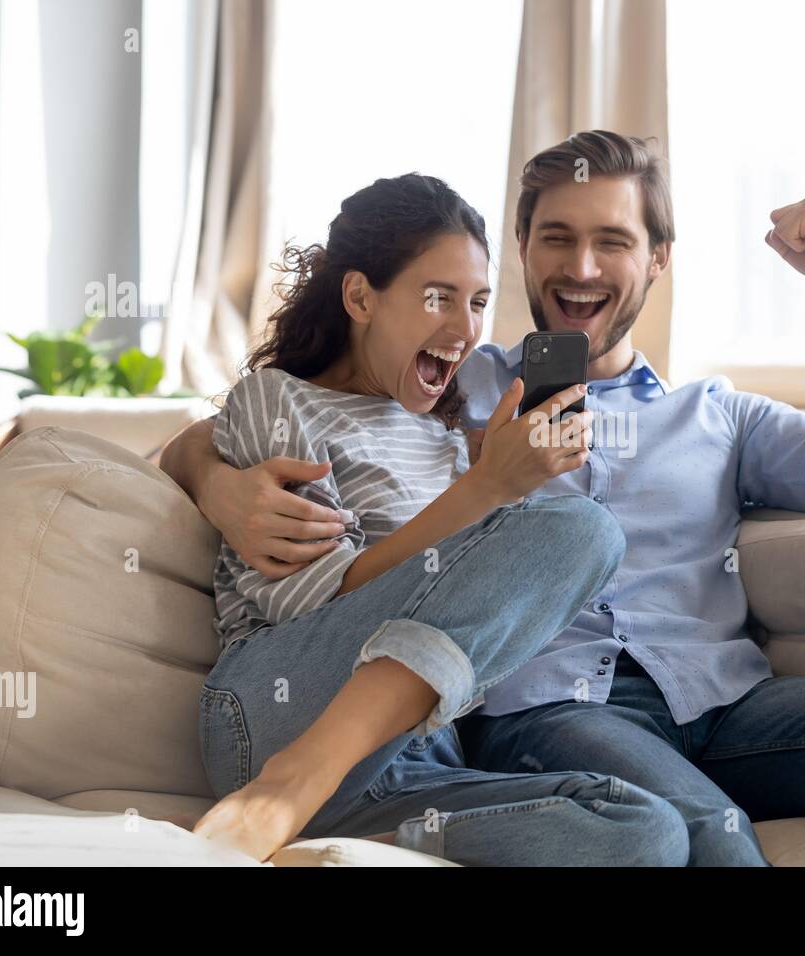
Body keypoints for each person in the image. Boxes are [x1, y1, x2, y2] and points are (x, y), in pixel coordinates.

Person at [165, 132, 805, 866]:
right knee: (712, 837)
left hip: (722, 708)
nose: (581, 266)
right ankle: (296, 789)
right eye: (556, 237)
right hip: (553, 714)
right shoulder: (450, 382)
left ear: (658, 259)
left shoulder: (717, 415)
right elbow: (280, 403)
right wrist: (214, 479)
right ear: (523, 251)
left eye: (613, 242)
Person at [189, 172, 689, 866]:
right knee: (585, 529)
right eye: (438, 298)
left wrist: (488, 485)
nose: (464, 329)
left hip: (407, 765)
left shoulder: (445, 434)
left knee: (648, 832)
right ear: (360, 296)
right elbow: (312, 600)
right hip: (272, 715)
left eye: (479, 302)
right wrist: (484, 491)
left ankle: (333, 845)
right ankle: (290, 784)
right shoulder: (279, 402)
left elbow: (463, 611)